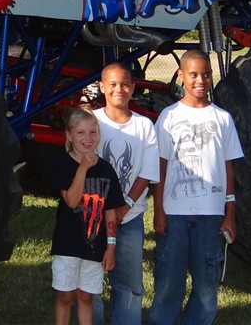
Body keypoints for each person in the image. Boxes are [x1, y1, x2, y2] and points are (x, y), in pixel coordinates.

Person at [146, 50, 244, 325]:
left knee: (206, 283)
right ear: (181, 75)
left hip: (211, 215)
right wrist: (159, 209)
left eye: (206, 74)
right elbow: (160, 167)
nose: (200, 80)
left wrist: (230, 212)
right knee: (169, 279)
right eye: (193, 74)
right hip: (174, 214)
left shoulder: (222, 118)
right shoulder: (168, 117)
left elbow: (228, 167)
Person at [91, 61, 160, 325]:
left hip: (130, 218)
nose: (118, 89)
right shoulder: (92, 121)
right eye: (112, 84)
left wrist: (124, 207)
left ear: (133, 88)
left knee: (130, 285)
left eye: (124, 84)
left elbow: (147, 172)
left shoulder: (144, 126)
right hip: (93, 218)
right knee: (90, 283)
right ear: (101, 87)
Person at [52, 107, 126, 325]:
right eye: (80, 132)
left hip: (95, 245)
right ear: (69, 136)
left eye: (93, 132)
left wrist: (110, 247)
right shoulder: (63, 164)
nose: (87, 138)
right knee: (66, 295)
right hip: (67, 244)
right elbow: (71, 200)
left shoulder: (106, 170)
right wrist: (83, 168)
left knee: (86, 296)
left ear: (99, 135)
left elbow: (110, 210)